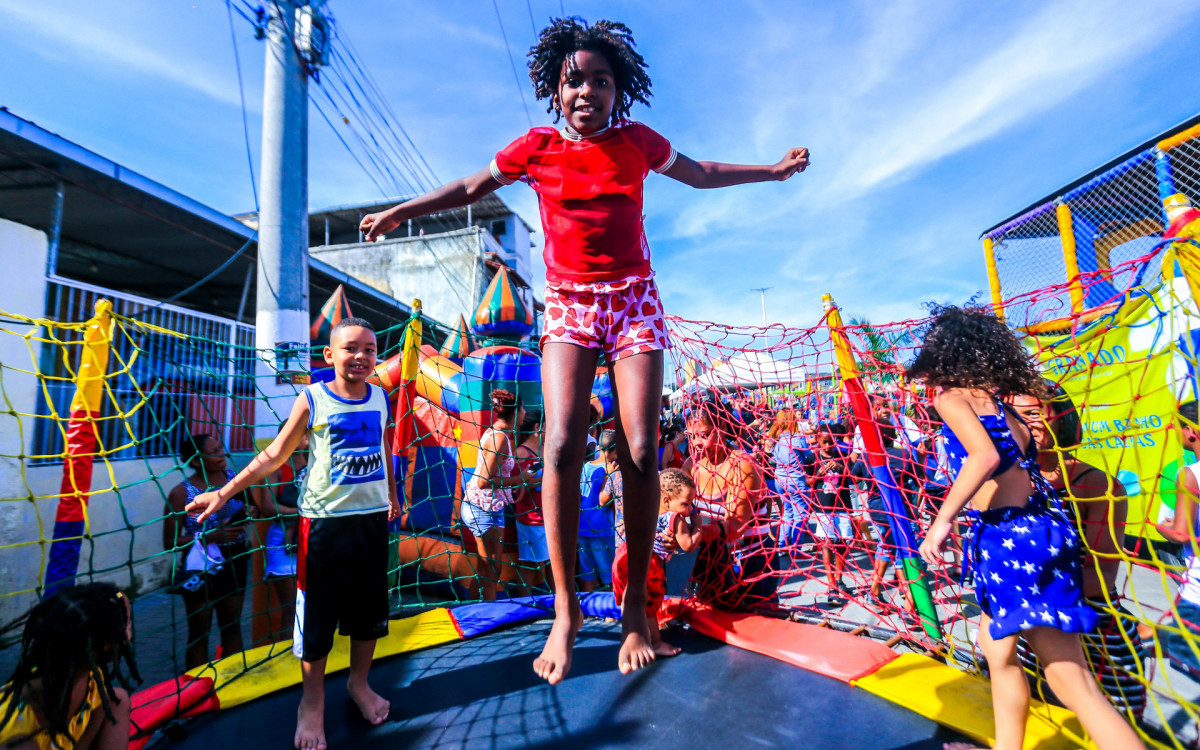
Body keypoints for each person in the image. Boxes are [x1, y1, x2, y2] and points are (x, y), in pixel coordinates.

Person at [358, 17, 808, 682]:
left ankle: (635, 611)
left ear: (617, 91)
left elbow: (703, 172)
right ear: (554, 89)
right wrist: (404, 210)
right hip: (570, 302)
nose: (587, 91)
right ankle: (567, 612)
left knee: (642, 446)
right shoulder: (534, 149)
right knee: (563, 441)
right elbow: (467, 189)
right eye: (575, 81)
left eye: (601, 80)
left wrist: (769, 172)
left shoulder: (636, 142)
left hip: (632, 302)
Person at [911, 306, 1144, 750]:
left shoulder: (952, 398)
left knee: (1071, 681)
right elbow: (1023, 462)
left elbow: (985, 458)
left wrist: (941, 521)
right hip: (1036, 529)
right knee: (998, 654)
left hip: (1010, 538)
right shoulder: (1000, 404)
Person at [186, 318, 402, 750]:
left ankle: (359, 685)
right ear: (330, 355)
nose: (360, 356)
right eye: (350, 348)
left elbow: (382, 448)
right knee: (318, 619)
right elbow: (273, 455)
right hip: (323, 526)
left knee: (369, 614)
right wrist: (224, 491)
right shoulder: (314, 399)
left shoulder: (380, 396)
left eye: (369, 349)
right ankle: (313, 702)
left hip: (372, 521)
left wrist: (392, 494)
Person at [1007, 385, 1145, 717]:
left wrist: (1024, 578)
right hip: (1030, 631)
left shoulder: (1096, 485)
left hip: (1095, 634)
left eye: (1034, 414)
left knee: (1112, 722)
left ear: (1063, 419)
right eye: (1013, 415)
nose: (1024, 425)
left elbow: (1101, 578)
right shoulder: (1007, 480)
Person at [0, 582, 139, 750]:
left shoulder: (90, 678)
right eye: (127, 623)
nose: (130, 630)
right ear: (101, 647)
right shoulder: (20, 738)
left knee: (119, 699)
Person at [163, 432, 251, 669]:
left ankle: (233, 680)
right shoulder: (181, 493)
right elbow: (170, 542)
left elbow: (252, 509)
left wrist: (251, 512)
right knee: (199, 633)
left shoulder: (235, 481)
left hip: (235, 561)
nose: (221, 454)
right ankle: (195, 687)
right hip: (200, 567)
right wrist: (208, 536)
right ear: (195, 460)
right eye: (213, 452)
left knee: (232, 627)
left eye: (220, 448)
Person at [612, 468, 719, 657]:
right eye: (686, 504)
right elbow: (688, 546)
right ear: (667, 501)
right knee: (650, 605)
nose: (689, 509)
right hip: (649, 562)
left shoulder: (650, 508)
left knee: (631, 600)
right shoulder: (675, 517)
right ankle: (655, 643)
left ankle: (633, 636)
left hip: (625, 553)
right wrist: (698, 527)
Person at [686, 410, 781, 609]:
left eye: (704, 435)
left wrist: (693, 534)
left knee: (757, 627)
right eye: (691, 436)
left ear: (722, 429)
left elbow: (735, 526)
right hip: (714, 559)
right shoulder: (692, 465)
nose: (696, 443)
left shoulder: (741, 464)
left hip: (751, 564)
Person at [461, 390, 537, 601]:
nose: (524, 413)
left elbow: (497, 476)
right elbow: (484, 482)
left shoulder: (502, 434)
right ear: (517, 411)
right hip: (481, 507)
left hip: (492, 507)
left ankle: (475, 610)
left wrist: (521, 480)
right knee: (491, 570)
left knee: (488, 569)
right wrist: (522, 480)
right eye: (523, 409)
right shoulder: (498, 438)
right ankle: (486, 618)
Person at [1156, 400, 1200, 681]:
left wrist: (1161, 526)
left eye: (1176, 425)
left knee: (1184, 665)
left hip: (1196, 592)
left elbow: (1182, 534)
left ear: (1190, 431)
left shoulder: (1190, 474)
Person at [253, 430, 306, 643]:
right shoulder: (274, 466)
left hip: (315, 537)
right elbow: (269, 507)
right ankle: (287, 659)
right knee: (291, 609)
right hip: (284, 541)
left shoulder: (317, 461)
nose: (304, 439)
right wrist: (306, 511)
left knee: (320, 606)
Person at [804, 426, 857, 599]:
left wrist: (841, 467)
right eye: (824, 442)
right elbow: (807, 481)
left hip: (842, 506)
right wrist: (818, 475)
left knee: (842, 544)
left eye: (831, 442)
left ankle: (839, 579)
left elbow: (854, 478)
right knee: (826, 544)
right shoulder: (812, 458)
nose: (828, 446)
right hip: (823, 509)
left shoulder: (842, 457)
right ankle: (831, 585)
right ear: (818, 440)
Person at [767, 410, 813, 557]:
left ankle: (783, 545)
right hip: (795, 480)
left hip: (780, 480)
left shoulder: (775, 440)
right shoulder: (797, 439)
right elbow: (810, 457)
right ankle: (796, 549)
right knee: (800, 514)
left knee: (787, 513)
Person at [513, 414, 550, 595]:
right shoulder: (523, 452)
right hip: (532, 518)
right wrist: (551, 476)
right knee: (530, 563)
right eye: (546, 425)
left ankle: (557, 601)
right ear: (537, 428)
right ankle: (525, 602)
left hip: (550, 516)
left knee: (553, 562)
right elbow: (522, 484)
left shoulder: (544, 449)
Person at [578, 444, 617, 592]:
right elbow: (605, 500)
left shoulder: (584, 466)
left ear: (599, 446)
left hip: (582, 526)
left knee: (587, 573)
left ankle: (588, 612)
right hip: (602, 528)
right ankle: (609, 613)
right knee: (609, 577)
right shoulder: (613, 469)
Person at [597, 429, 626, 545]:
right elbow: (602, 501)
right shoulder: (617, 472)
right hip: (607, 529)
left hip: (586, 527)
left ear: (599, 447)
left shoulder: (586, 467)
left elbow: (602, 500)